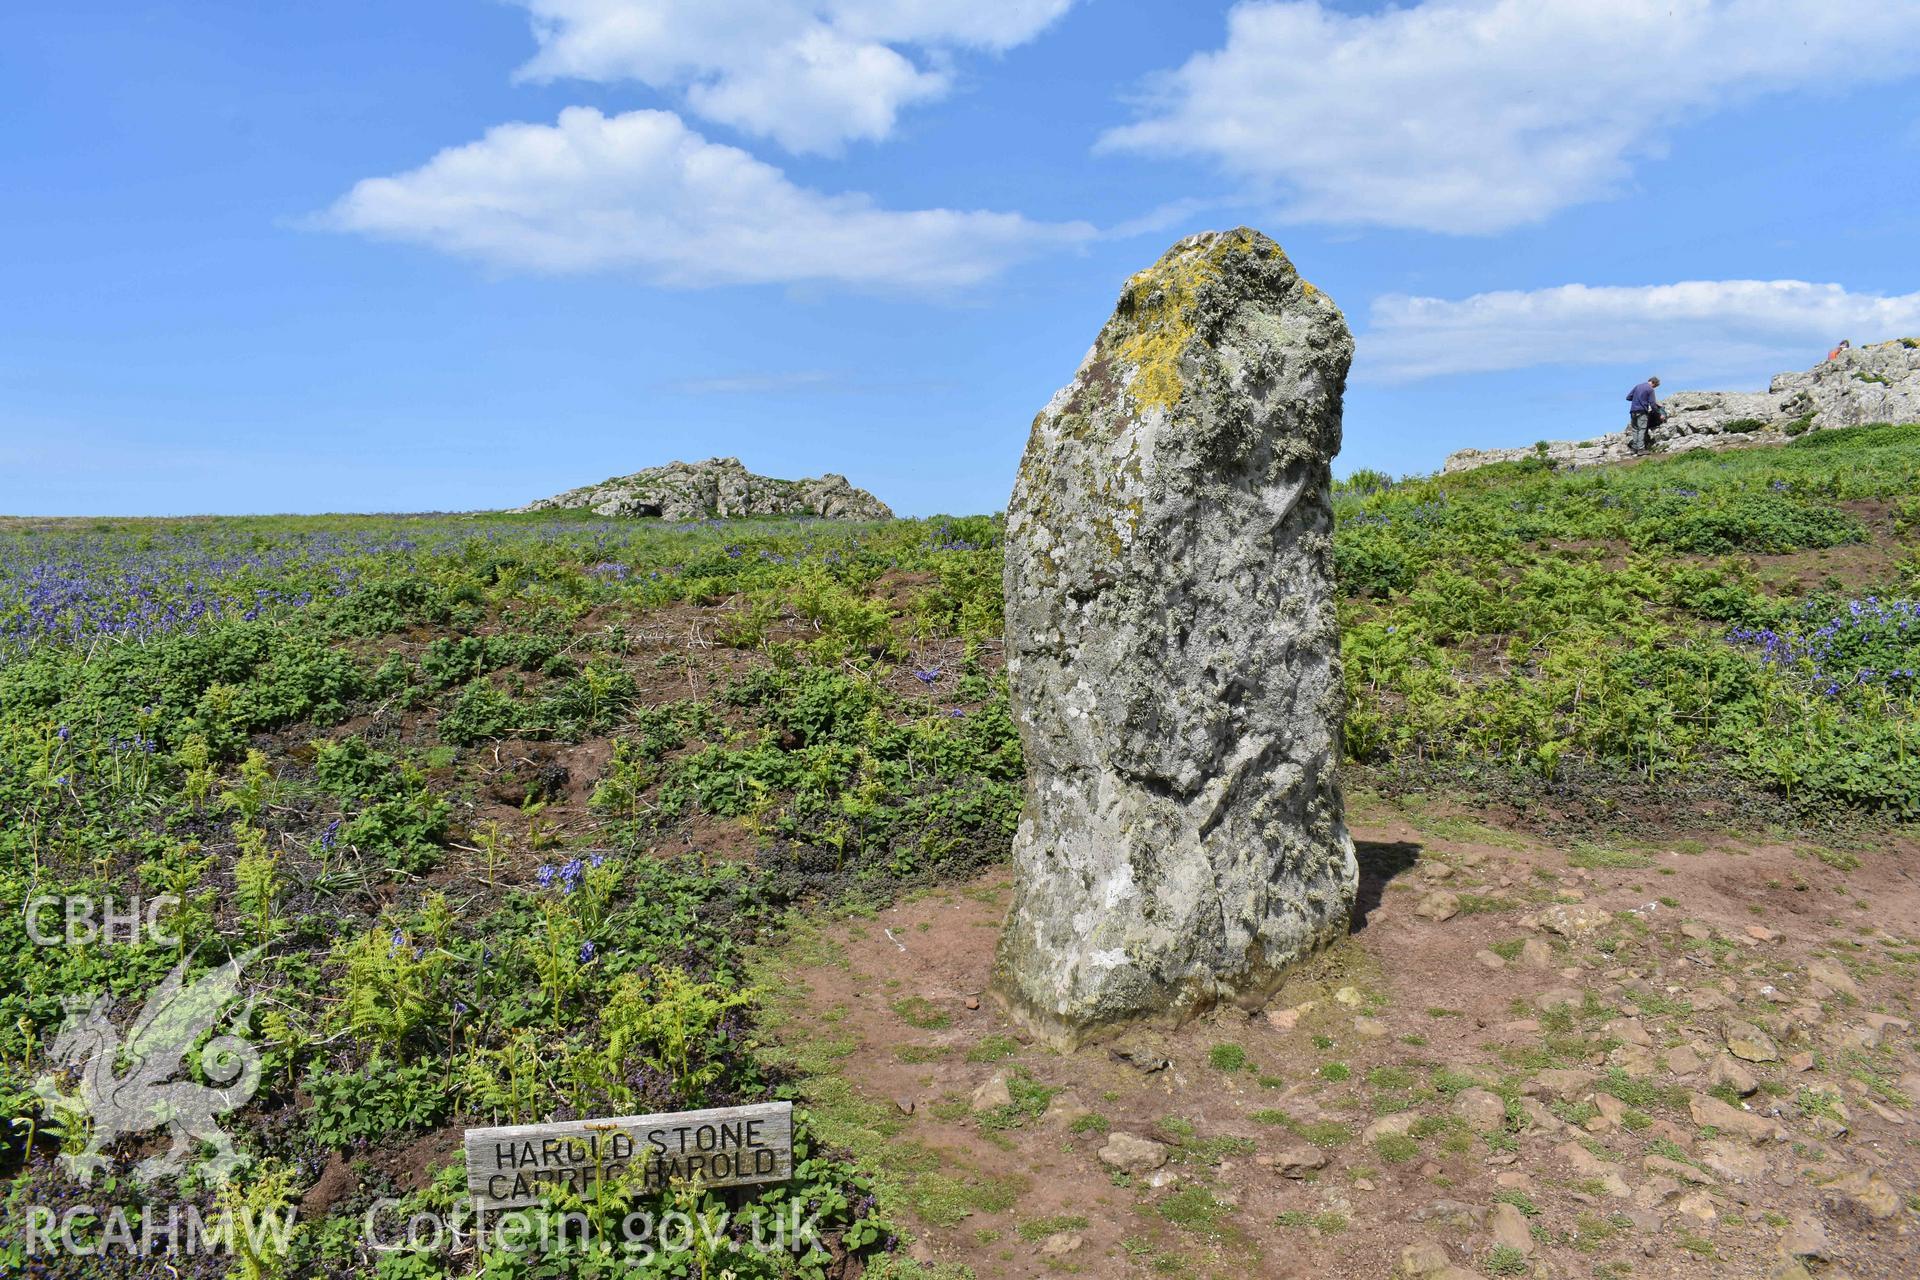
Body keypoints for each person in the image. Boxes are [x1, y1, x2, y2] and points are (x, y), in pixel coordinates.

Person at [1626, 376, 1662, 454]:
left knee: (1635, 429)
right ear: (1654, 383)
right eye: (1655, 386)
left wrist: (1637, 398)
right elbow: (1652, 404)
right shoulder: (1650, 389)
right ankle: (1641, 449)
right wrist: (1658, 414)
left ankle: (1634, 449)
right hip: (1642, 411)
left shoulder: (1637, 386)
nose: (1654, 388)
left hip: (1633, 411)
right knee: (1642, 429)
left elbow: (1628, 397)